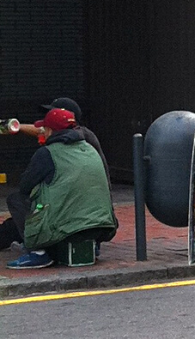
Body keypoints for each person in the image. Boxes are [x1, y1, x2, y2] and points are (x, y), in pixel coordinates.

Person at [0, 105, 117, 268]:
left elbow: (25, 187)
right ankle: (91, 245)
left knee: (16, 200)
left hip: (68, 228)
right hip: (103, 227)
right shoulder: (89, 148)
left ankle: (37, 252)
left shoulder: (47, 153)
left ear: (48, 130)